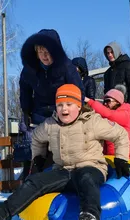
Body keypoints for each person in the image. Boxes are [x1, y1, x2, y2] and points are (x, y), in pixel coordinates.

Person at [0, 84, 130, 220]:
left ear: (79, 106)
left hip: (91, 167)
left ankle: (91, 215)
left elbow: (120, 134)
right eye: (60, 105)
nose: (64, 109)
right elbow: (36, 137)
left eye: (69, 104)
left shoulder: (92, 121)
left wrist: (120, 159)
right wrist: (37, 158)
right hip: (64, 170)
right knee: (33, 182)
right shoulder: (51, 125)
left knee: (85, 178)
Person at [18, 29, 85, 180]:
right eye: (41, 52)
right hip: (39, 113)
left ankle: (63, 180)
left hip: (61, 112)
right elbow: (25, 88)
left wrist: (75, 112)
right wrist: (26, 110)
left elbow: (78, 91)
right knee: (36, 151)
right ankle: (31, 182)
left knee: (60, 150)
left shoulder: (66, 66)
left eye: (48, 51)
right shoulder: (30, 68)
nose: (45, 56)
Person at [103, 41, 130, 141]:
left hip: (125, 111)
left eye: (111, 52)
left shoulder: (129, 66)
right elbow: (105, 92)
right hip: (110, 111)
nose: (110, 55)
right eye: (107, 53)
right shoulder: (107, 73)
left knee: (126, 142)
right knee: (110, 143)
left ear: (117, 51)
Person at [85, 84, 130, 159]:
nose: (105, 104)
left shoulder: (125, 113)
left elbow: (109, 114)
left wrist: (90, 102)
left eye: (108, 101)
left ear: (117, 102)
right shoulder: (107, 114)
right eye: (104, 101)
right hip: (109, 155)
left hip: (123, 155)